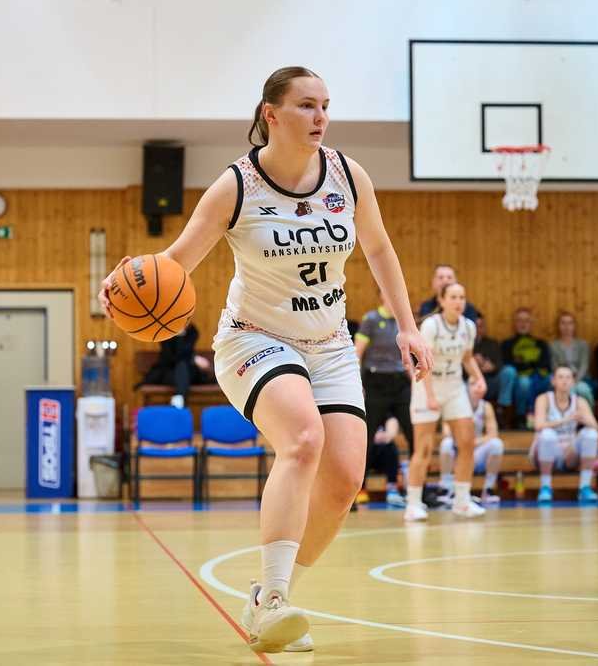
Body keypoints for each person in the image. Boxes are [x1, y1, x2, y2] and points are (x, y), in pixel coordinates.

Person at [98, 66, 431, 654]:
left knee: (344, 480)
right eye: (306, 105)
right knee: (303, 439)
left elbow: (379, 248)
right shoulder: (236, 186)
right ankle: (276, 599)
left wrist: (407, 325)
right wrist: (126, 282)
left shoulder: (349, 176)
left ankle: (267, 595)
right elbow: (175, 263)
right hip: (255, 339)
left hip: (330, 344)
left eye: (325, 105)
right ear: (270, 114)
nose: (320, 117)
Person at [405, 282, 487, 521]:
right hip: (427, 384)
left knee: (467, 443)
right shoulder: (431, 325)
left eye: (461, 297)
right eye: (453, 297)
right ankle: (413, 504)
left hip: (454, 386)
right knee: (424, 448)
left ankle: (462, 501)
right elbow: (423, 362)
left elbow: (467, 358)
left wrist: (479, 378)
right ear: (441, 301)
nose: (458, 301)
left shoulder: (468, 326)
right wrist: (431, 397)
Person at [355, 289, 414, 490]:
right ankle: (358, 490)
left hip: (400, 384)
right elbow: (358, 353)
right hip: (376, 383)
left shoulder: (403, 322)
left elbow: (407, 356)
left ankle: (417, 491)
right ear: (382, 295)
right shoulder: (371, 319)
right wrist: (357, 383)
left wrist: (415, 383)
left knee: (414, 434)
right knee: (367, 437)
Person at [529, 364, 598, 504]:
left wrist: (584, 419)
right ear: (553, 381)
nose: (564, 381)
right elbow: (538, 425)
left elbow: (596, 427)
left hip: (569, 453)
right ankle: (545, 487)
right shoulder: (544, 399)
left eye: (568, 377)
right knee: (547, 434)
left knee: (590, 434)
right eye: (561, 377)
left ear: (573, 382)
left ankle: (585, 487)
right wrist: (566, 419)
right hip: (545, 452)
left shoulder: (579, 401)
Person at [438, 380, 503, 505]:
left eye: (480, 384)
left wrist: (473, 442)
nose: (477, 387)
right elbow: (446, 432)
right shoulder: (454, 405)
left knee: (497, 444)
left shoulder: (485, 406)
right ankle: (446, 488)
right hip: (458, 450)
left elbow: (493, 433)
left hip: (476, 451)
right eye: (473, 384)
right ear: (466, 388)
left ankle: (488, 489)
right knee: (446, 443)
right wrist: (463, 442)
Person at [137, 322, 214, 408]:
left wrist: (193, 358)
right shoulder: (164, 332)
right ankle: (180, 397)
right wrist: (179, 337)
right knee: (181, 368)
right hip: (169, 372)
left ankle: (179, 398)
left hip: (188, 372)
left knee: (182, 367)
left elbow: (186, 352)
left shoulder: (192, 331)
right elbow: (169, 358)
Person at [499, 307, 552, 427]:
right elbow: (508, 365)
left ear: (531, 324)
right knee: (524, 382)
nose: (523, 324)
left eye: (526, 320)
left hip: (538, 377)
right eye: (519, 320)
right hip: (518, 380)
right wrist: (531, 364)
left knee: (552, 379)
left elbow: (546, 364)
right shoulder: (507, 344)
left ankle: (549, 416)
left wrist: (522, 363)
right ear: (514, 323)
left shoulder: (541, 344)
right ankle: (521, 416)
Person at [550, 311, 594, 404]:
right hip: (561, 378)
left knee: (583, 390)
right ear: (558, 326)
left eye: (570, 323)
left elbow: (584, 366)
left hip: (581, 378)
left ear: (574, 326)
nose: (566, 326)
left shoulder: (583, 344)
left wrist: (574, 380)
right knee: (568, 390)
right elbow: (554, 366)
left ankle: (588, 412)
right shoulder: (553, 346)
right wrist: (564, 379)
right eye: (563, 323)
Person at [363, 417, 406, 507]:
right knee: (366, 448)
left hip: (383, 455)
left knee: (390, 448)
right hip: (366, 452)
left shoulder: (386, 416)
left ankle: (392, 490)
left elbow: (390, 434)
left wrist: (383, 436)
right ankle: (360, 490)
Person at [417, 264, 481, 322]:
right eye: (440, 277)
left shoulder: (469, 308)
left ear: (456, 281)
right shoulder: (426, 307)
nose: (445, 281)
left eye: (449, 277)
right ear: (433, 282)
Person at [471, 315, 502, 406]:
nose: (478, 330)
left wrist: (492, 367)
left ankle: (502, 406)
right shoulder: (465, 344)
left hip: (490, 380)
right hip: (471, 382)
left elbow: (500, 364)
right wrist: (475, 366)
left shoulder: (492, 343)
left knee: (508, 372)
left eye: (480, 326)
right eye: (475, 327)